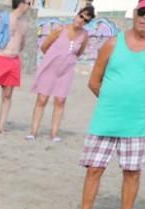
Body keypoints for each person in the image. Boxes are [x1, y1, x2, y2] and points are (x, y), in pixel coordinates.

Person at [75, 0, 145, 209]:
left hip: (138, 124)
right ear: (134, 14)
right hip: (106, 120)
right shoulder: (112, 43)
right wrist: (112, 101)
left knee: (132, 173)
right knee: (94, 170)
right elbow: (94, 81)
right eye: (143, 11)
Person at [26, 5, 94, 142]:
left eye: (86, 20)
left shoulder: (84, 35)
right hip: (50, 69)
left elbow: (79, 53)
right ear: (77, 14)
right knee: (42, 99)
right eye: (81, 16)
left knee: (60, 101)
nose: (81, 21)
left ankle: (54, 134)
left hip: (66, 71)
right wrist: (53, 58)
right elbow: (45, 46)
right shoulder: (60, 29)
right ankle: (33, 132)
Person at [0, 0, 31, 134]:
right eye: (28, 2)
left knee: (7, 95)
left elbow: (22, 43)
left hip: (13, 61)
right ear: (21, 3)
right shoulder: (2, 19)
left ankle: (1, 125)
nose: (29, 6)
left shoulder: (24, 23)